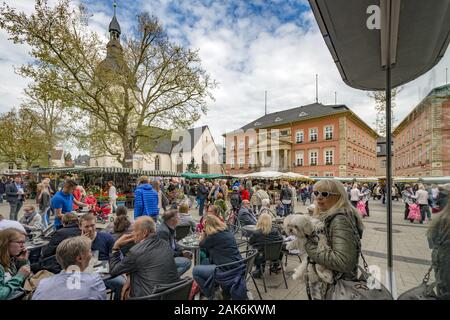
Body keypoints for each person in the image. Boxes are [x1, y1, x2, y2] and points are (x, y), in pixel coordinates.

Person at [305, 179, 364, 300]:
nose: (319, 197)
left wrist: (308, 245)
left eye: (325, 194)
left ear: (339, 197)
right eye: (316, 193)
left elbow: (343, 262)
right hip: (329, 284)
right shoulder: (330, 215)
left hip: (336, 286)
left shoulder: (339, 220)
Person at [109, 216, 180, 299]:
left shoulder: (136, 252)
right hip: (172, 294)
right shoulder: (164, 244)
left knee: (125, 289)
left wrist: (116, 246)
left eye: (135, 230)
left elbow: (114, 271)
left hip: (149, 297)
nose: (132, 234)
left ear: (144, 232)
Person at [32, 236, 107, 300]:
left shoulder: (43, 284)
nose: (91, 255)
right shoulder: (94, 281)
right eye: (89, 251)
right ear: (80, 258)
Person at [192, 215, 242, 298]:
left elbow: (201, 244)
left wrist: (204, 232)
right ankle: (213, 285)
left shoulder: (213, 237)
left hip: (225, 270)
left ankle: (211, 294)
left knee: (195, 271)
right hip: (238, 265)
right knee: (204, 261)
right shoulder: (227, 231)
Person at [79, 213, 124, 300]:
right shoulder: (77, 242)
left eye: (92, 225)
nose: (90, 229)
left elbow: (117, 254)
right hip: (85, 276)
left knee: (121, 283)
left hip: (105, 274)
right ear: (80, 227)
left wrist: (122, 270)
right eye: (86, 227)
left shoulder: (106, 237)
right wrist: (83, 244)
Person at [157, 210, 192, 276]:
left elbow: (174, 243)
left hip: (170, 254)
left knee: (188, 252)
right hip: (164, 259)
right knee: (187, 263)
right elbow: (166, 251)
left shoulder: (170, 226)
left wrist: (182, 250)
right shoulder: (163, 231)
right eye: (178, 217)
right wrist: (181, 254)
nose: (179, 218)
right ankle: (170, 279)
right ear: (172, 219)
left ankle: (172, 276)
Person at [249, 213, 283, 278]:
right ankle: (275, 266)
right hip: (275, 255)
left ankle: (259, 269)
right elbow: (281, 240)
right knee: (277, 248)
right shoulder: (275, 231)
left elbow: (250, 242)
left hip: (260, 257)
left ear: (259, 221)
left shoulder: (256, 233)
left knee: (254, 249)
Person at [427, 204, 450, 299]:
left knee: (442, 290)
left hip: (440, 262)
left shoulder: (441, 218)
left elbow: (430, 240)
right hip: (445, 263)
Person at [0, 228, 30, 299]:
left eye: (23, 243)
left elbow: (21, 284)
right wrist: (19, 276)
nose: (23, 246)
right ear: (6, 243)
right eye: (20, 242)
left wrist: (23, 262)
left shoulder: (10, 260)